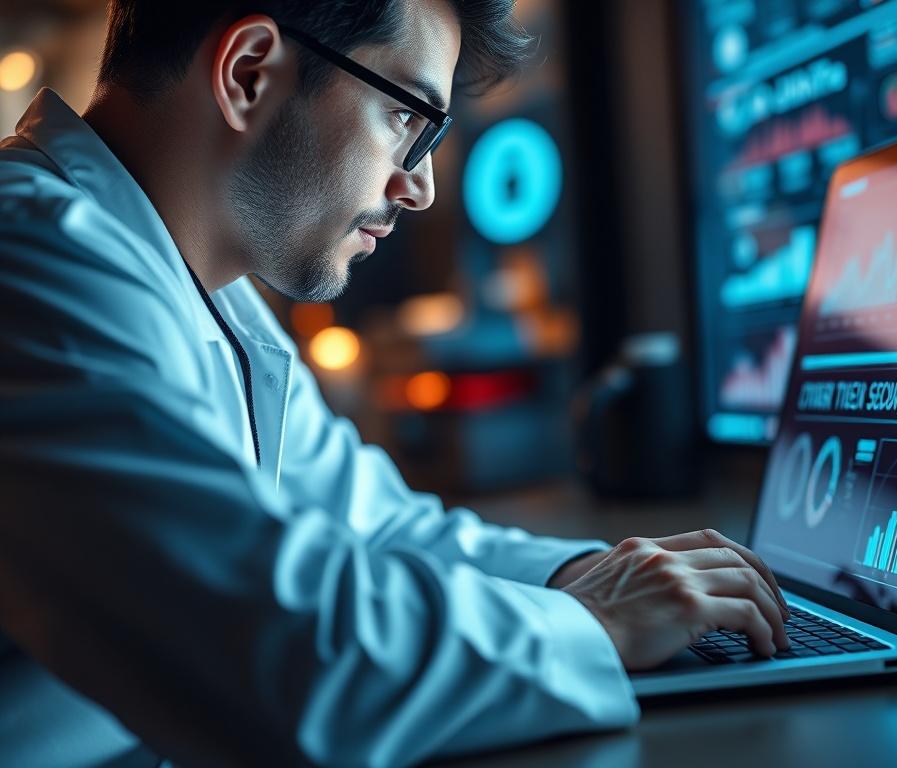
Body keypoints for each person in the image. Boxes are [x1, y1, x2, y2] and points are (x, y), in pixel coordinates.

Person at [0, 1, 791, 765]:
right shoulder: (28, 262)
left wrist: (580, 575)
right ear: (248, 73)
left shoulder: (205, 286)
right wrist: (591, 626)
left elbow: (371, 525)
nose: (422, 187)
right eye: (407, 118)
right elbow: (289, 657)